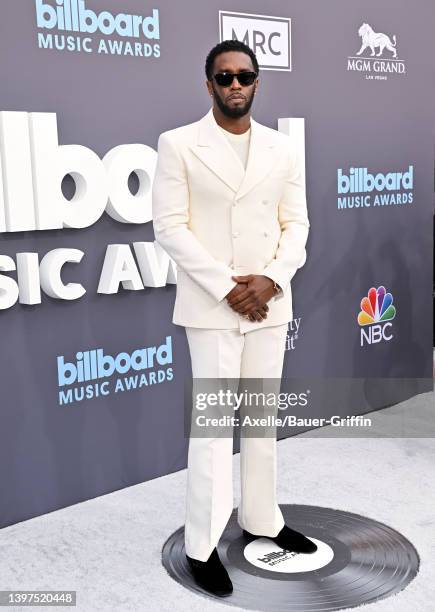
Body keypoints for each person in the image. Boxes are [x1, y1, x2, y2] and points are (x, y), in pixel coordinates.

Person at [152, 39, 313, 597]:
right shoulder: (178, 145)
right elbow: (170, 227)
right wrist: (229, 287)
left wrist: (271, 279)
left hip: (271, 302)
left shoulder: (282, 149)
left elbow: (298, 226)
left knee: (263, 421)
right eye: (225, 78)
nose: (236, 85)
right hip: (212, 306)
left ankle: (262, 520)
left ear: (257, 82)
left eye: (245, 76)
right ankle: (201, 546)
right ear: (209, 85)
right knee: (217, 429)